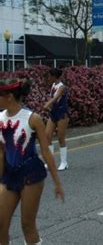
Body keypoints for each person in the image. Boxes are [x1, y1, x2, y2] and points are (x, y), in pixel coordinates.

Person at [0, 79, 64, 244]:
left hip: (31, 175)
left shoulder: (32, 119)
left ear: (9, 97)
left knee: (27, 225)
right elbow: (1, 153)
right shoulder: (0, 118)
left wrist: (57, 182)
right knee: (1, 224)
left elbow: (45, 152)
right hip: (9, 175)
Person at [44, 68, 69, 171]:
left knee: (60, 138)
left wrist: (47, 104)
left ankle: (64, 162)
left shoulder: (62, 87)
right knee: (47, 136)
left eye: (50, 76)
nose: (48, 78)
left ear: (55, 76)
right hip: (53, 114)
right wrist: (49, 107)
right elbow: (53, 99)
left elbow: (56, 98)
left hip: (62, 114)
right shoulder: (53, 85)